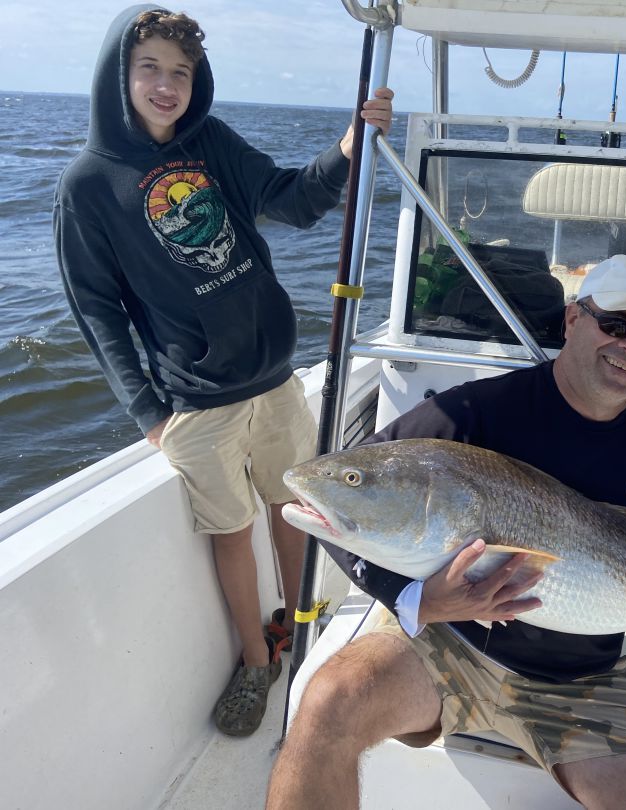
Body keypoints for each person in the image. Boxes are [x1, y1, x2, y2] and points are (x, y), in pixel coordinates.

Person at [267, 254, 626, 809]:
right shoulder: (476, 414)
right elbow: (345, 506)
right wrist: (417, 599)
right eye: (615, 324)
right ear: (572, 320)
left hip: (580, 681)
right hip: (449, 644)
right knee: (328, 703)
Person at [54, 5, 394, 736]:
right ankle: (255, 660)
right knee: (231, 531)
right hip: (197, 401)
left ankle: (298, 629)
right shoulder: (87, 184)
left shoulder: (211, 142)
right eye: (148, 68)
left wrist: (349, 144)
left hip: (274, 381)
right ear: (118, 74)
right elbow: (95, 308)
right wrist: (148, 412)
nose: (165, 85)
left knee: (294, 508)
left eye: (180, 72)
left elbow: (294, 201)